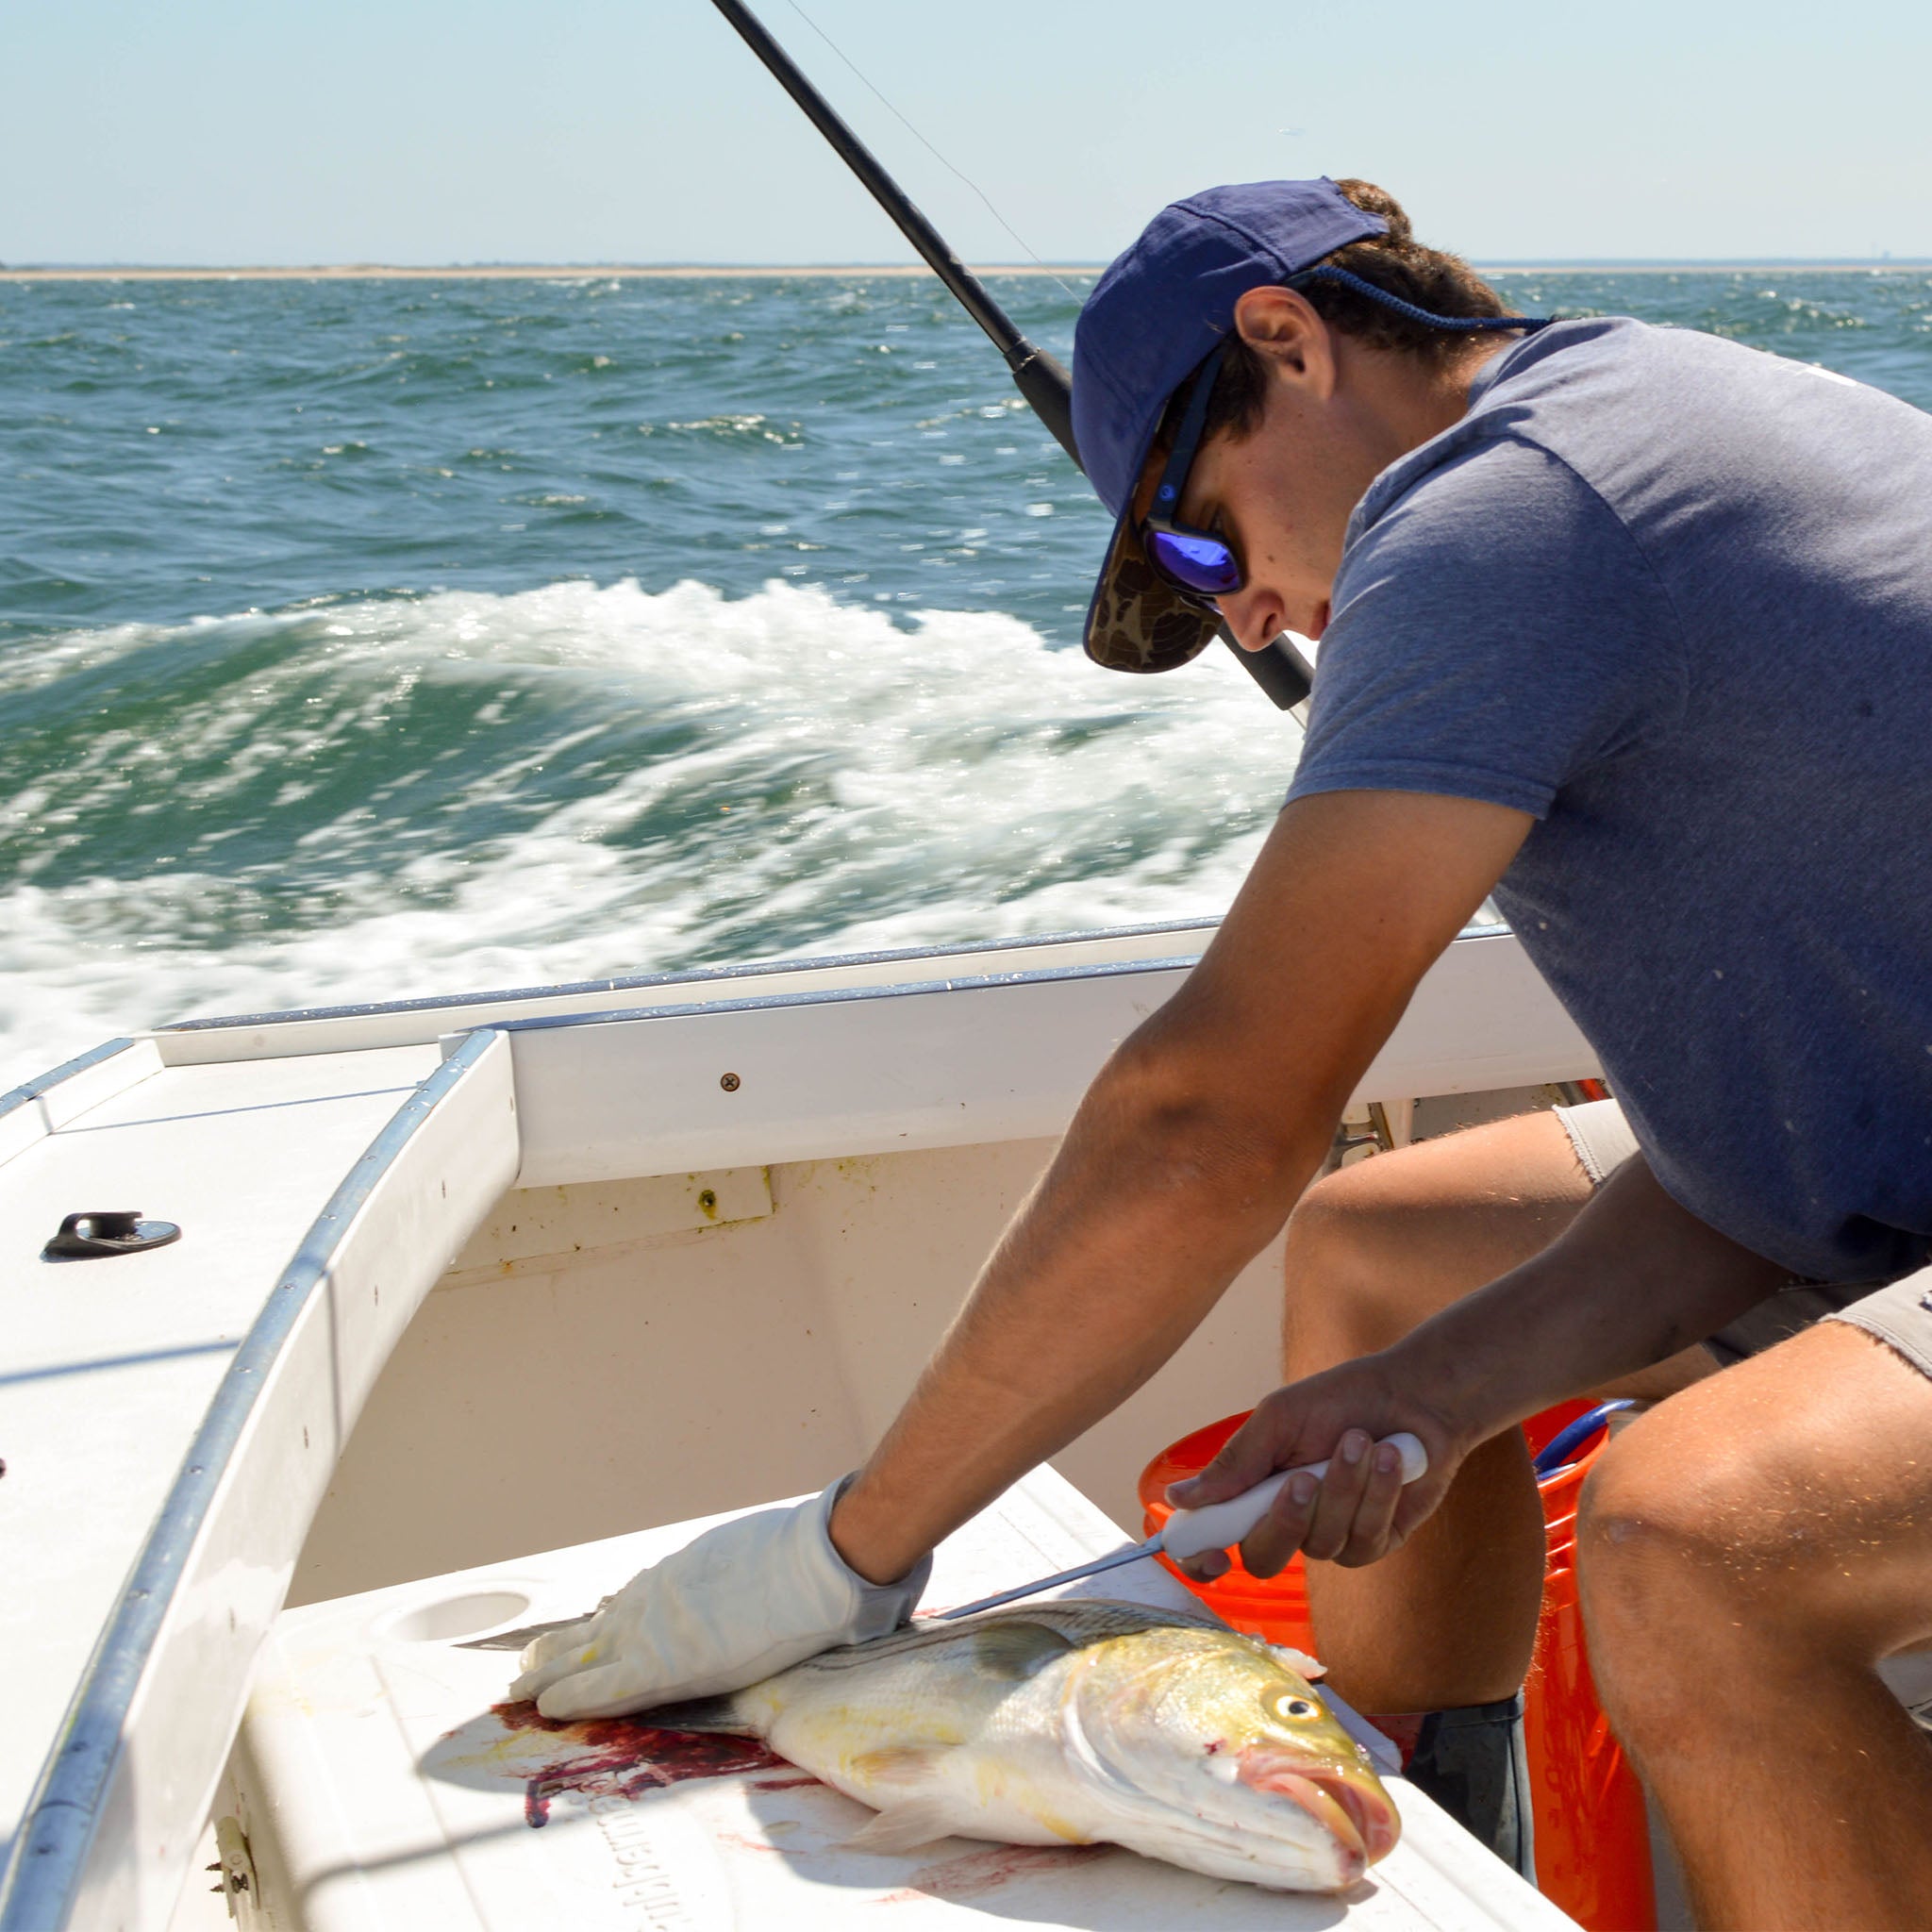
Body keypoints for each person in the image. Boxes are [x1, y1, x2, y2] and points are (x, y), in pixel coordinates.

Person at [513, 177, 1932, 1928]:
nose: (1246, 618)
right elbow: (1776, 1173)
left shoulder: (1503, 514)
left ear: (1290, 339)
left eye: (1201, 542)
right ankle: (1430, 1850)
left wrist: (848, 1548)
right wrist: (1433, 1393)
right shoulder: (1641, 404)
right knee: (1377, 1266)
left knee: (1697, 1541)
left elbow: (1212, 1119)